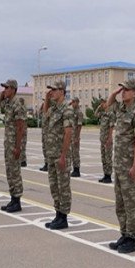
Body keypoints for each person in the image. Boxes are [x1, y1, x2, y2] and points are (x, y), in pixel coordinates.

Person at [106, 78, 135, 254]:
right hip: (119, 165)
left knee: (132, 203)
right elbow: (108, 105)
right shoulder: (121, 109)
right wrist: (115, 92)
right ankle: (124, 233)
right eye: (123, 90)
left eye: (127, 90)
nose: (123, 92)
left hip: (129, 165)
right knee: (120, 202)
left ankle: (132, 238)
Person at [43, 80, 73, 229]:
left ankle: (64, 217)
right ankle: (57, 214)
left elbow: (68, 133)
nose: (52, 92)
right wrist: (47, 100)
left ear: (62, 91)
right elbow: (44, 116)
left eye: (54, 90)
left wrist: (63, 155)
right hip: (51, 154)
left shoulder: (66, 110)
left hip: (61, 155)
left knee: (63, 187)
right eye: (51, 90)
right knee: (54, 186)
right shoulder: (54, 109)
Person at [0, 79, 26, 212]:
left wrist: (18, 146)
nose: (4, 90)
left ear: (14, 89)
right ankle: (12, 198)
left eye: (7, 88)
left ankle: (17, 201)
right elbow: (1, 104)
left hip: (14, 145)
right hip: (8, 144)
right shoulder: (9, 103)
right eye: (4, 88)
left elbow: (20, 127)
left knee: (15, 172)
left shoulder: (17, 104)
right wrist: (3, 94)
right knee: (9, 171)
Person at [96, 98, 115, 183]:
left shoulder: (111, 114)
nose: (102, 104)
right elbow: (95, 114)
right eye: (101, 103)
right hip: (102, 140)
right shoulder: (103, 114)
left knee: (108, 158)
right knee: (103, 158)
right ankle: (105, 174)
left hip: (107, 140)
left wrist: (110, 138)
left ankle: (109, 176)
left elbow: (111, 127)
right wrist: (99, 107)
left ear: (107, 103)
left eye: (103, 103)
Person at [70, 97, 84, 177]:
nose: (72, 103)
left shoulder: (79, 112)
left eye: (73, 102)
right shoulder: (72, 111)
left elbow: (79, 125)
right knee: (72, 153)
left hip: (75, 136)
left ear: (77, 102)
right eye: (72, 102)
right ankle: (74, 168)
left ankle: (77, 170)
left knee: (75, 153)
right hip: (71, 136)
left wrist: (77, 137)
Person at [39, 99, 49, 172]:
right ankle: (46, 163)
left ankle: (48, 164)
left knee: (48, 150)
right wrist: (41, 107)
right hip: (44, 133)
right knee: (44, 149)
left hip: (48, 134)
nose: (43, 103)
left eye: (44, 101)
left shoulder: (49, 111)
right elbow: (38, 114)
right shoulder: (43, 112)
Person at [19, 97, 28, 167]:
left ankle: (23, 161)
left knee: (22, 145)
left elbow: (22, 120)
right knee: (22, 145)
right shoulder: (24, 108)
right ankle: (22, 160)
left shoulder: (21, 109)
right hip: (24, 128)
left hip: (23, 128)